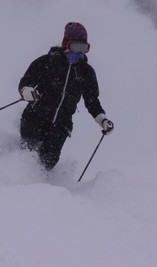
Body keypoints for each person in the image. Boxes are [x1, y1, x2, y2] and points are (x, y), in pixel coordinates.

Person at [18, 22, 114, 171]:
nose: (79, 53)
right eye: (75, 47)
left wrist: (102, 119)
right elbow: (26, 81)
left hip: (61, 125)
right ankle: (14, 182)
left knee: (48, 161)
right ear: (65, 43)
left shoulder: (86, 72)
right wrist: (26, 91)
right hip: (35, 117)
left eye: (84, 48)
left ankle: (39, 188)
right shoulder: (47, 61)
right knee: (27, 154)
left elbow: (92, 99)